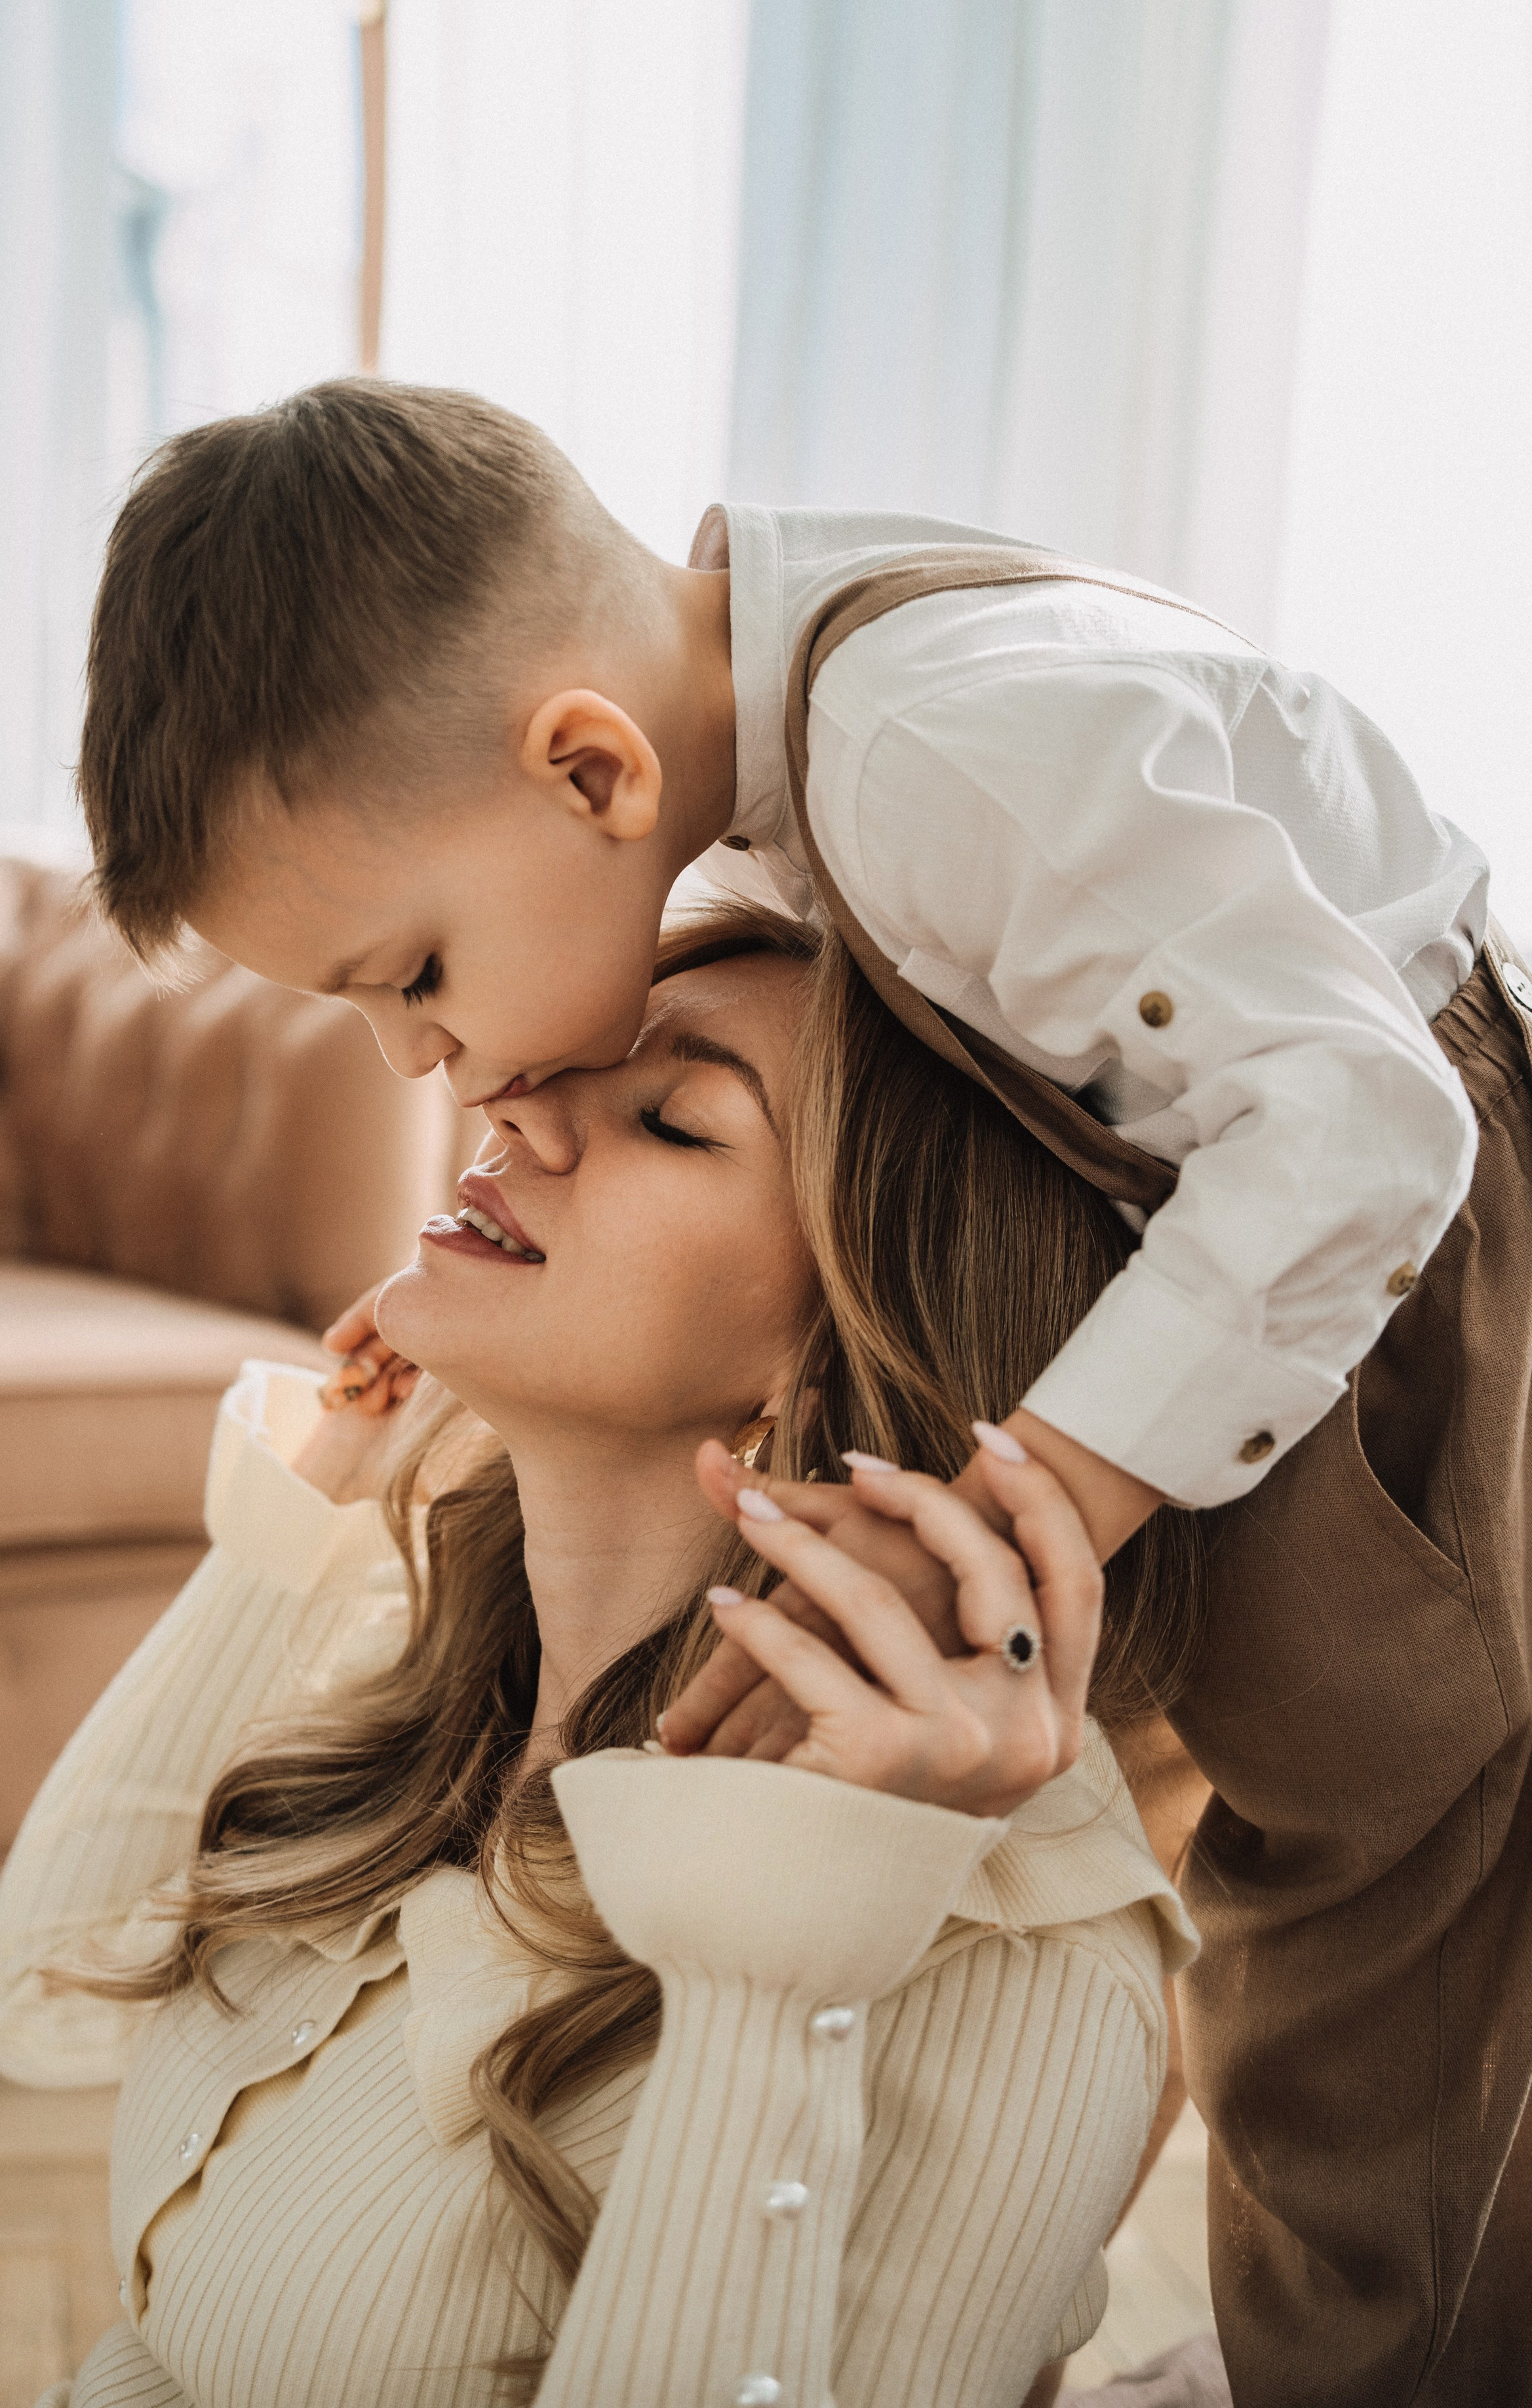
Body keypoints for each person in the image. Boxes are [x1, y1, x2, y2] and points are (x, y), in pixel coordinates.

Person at [73, 380, 1532, 2407]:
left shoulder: (927, 744)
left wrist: (1039, 1512)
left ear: (586, 767)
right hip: (1268, 1210)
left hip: (1403, 1238)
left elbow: (1362, 1132)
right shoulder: (796, 693)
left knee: (1380, 1906)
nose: (428, 1063)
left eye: (410, 974)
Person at [0, 907, 1198, 2407]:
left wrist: (771, 1967)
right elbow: (35, 2002)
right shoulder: (426, 1655)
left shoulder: (1018, 1956)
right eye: (561, 1063)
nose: (506, 1104)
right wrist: (317, 1502)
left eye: (670, 1119)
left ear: (836, 1356)